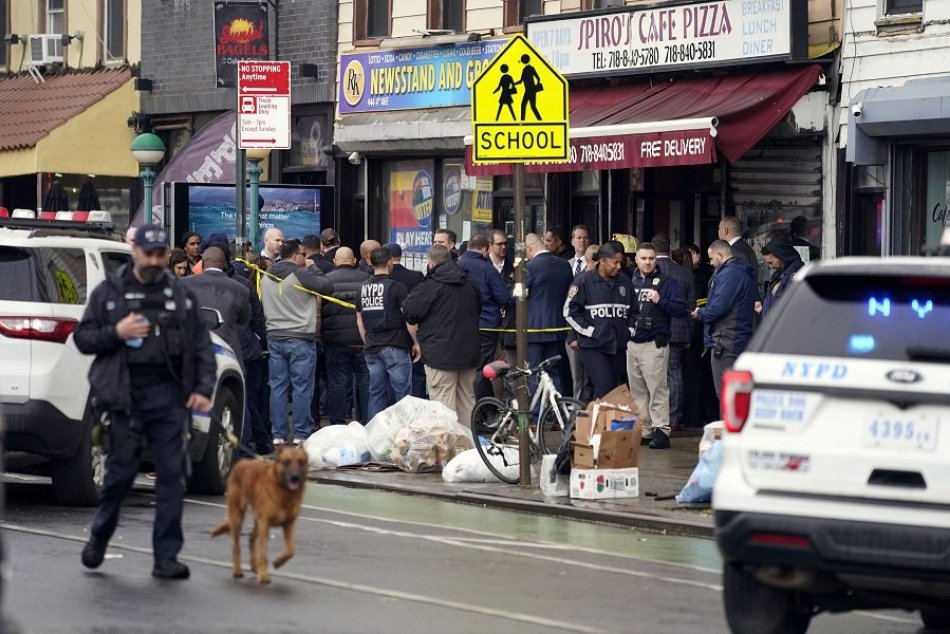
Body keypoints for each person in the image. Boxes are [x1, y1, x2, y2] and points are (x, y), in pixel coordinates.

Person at [75, 224, 215, 580]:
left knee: (171, 477)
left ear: (166, 255)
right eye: (148, 253)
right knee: (119, 478)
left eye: (160, 254)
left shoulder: (181, 297)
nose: (154, 260)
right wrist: (116, 333)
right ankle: (99, 537)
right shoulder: (110, 293)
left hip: (168, 399)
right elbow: (83, 339)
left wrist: (201, 388)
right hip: (125, 399)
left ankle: (165, 557)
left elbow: (202, 347)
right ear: (135, 251)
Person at [261, 239, 333, 446]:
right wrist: (315, 269)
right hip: (300, 338)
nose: (306, 258)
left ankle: (278, 433)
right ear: (295, 256)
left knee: (278, 387)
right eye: (303, 255)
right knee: (302, 388)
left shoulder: (266, 276)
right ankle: (302, 432)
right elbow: (327, 286)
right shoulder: (301, 274)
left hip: (274, 337)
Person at [403, 244, 481, 429]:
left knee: (443, 407)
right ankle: (467, 450)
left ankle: (448, 453)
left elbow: (410, 313)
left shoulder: (430, 285)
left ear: (430, 262)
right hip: (468, 352)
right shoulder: (469, 283)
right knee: (466, 403)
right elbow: (478, 308)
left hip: (440, 354)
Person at [628, 243, 688, 450]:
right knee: (638, 392)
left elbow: (681, 309)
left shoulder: (666, 282)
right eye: (643, 258)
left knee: (657, 390)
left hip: (654, 343)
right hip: (632, 343)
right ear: (636, 259)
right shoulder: (630, 280)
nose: (647, 262)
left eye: (651, 258)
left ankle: (662, 431)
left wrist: (661, 300)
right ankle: (645, 430)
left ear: (656, 259)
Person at [564, 242, 634, 399]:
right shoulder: (583, 281)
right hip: (593, 345)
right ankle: (594, 422)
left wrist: (629, 331)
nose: (618, 266)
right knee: (605, 386)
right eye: (615, 262)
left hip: (618, 345)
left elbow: (635, 312)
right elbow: (569, 311)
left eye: (620, 262)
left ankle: (600, 421)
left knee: (614, 389)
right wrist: (590, 331)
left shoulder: (625, 281)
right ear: (602, 261)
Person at [356, 247, 418, 420]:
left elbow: (360, 321)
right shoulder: (396, 287)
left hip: (372, 347)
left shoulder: (362, 289)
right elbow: (408, 318)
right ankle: (403, 435)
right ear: (390, 263)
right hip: (394, 345)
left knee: (376, 392)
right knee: (403, 395)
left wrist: (367, 341)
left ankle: (375, 437)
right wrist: (416, 342)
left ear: (371, 263)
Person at [692, 240, 758, 396]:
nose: (710, 263)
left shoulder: (729, 274)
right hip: (735, 338)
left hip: (726, 341)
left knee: (725, 395)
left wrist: (701, 313)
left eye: (711, 258)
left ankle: (727, 421)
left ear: (720, 255)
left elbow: (718, 308)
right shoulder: (739, 272)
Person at [322, 246, 371, 425]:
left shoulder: (325, 281)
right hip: (362, 341)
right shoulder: (367, 280)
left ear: (334, 262)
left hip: (335, 342)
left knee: (337, 383)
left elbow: (319, 312)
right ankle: (366, 421)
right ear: (354, 261)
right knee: (366, 383)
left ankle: (338, 422)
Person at [458, 234, 510, 400]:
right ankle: (485, 410)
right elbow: (503, 296)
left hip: (462, 325)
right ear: (485, 249)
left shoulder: (456, 266)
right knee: (483, 367)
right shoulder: (486, 268)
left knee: (467, 366)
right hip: (486, 325)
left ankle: (472, 407)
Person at [651, 235, 696, 432]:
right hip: (678, 330)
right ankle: (674, 418)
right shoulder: (684, 272)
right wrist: (689, 332)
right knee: (674, 373)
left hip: (653, 330)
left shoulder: (650, 271)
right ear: (669, 250)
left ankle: (656, 418)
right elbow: (691, 306)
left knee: (653, 375)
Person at [180, 247, 251, 368]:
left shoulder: (182, 284)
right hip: (228, 353)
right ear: (224, 264)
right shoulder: (241, 290)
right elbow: (244, 320)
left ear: (202, 263)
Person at [524, 233, 573, 394]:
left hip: (533, 328)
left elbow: (518, 296)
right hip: (558, 326)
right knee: (554, 370)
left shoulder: (530, 267)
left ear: (529, 248)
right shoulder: (565, 265)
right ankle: (556, 408)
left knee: (533, 371)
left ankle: (537, 413)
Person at [384, 242, 426, 399]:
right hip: (413, 331)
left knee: (391, 377)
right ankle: (418, 411)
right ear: (400, 256)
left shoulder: (382, 278)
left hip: (390, 334)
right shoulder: (416, 277)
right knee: (417, 375)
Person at [759, 235, 805, 318]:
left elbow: (790, 304)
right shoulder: (780, 274)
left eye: (771, 262)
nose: (771, 266)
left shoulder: (795, 274)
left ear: (781, 257)